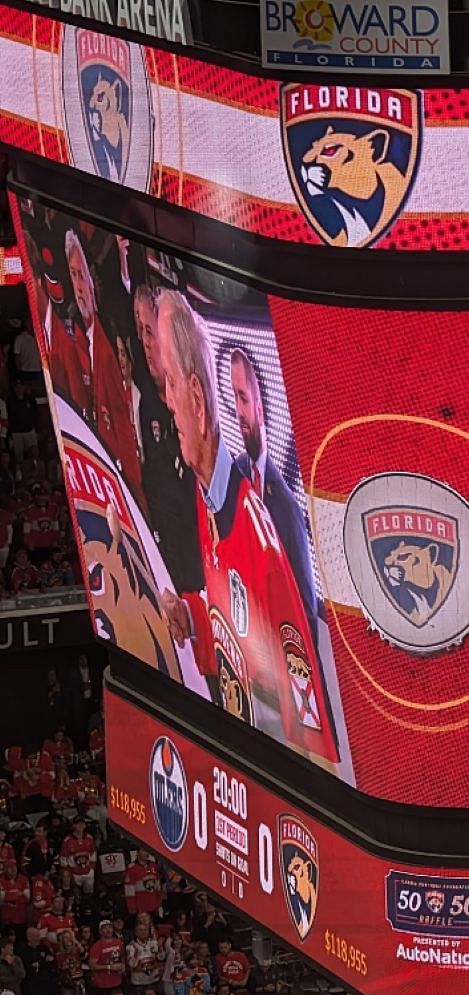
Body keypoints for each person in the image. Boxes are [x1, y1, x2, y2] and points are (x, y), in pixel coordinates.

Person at [153, 291, 339, 768]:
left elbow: (300, 685)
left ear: (197, 397)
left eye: (170, 383)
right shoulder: (208, 494)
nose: (166, 401)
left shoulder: (269, 525)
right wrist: (192, 617)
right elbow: (231, 622)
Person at [227, 347, 318, 624]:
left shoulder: (287, 507)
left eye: (243, 398)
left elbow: (306, 613)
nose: (238, 411)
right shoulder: (237, 472)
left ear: (260, 408)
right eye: (234, 397)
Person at [130, 284, 203, 594]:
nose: (147, 343)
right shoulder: (144, 404)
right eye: (141, 332)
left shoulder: (197, 410)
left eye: (152, 333)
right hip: (170, 580)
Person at [61, 229, 140, 497]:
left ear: (92, 282)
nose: (79, 286)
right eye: (73, 276)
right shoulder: (83, 342)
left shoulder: (107, 336)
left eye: (81, 275)